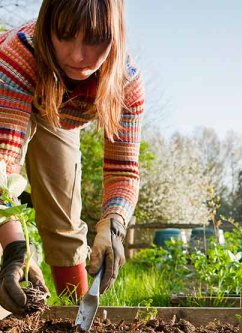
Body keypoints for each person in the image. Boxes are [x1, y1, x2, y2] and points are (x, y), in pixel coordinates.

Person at [0, 0, 144, 315]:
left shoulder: (126, 83)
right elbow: (2, 168)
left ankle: (75, 316)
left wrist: (113, 226)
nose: (79, 56)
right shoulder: (17, 54)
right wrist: (15, 249)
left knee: (65, 215)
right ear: (47, 26)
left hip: (58, 116)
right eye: (65, 36)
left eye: (94, 39)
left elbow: (122, 173)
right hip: (11, 92)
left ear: (115, 35)